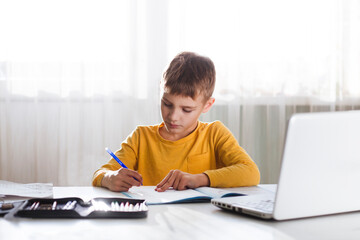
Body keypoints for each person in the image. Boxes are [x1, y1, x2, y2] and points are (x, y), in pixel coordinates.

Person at [92, 52, 260, 192]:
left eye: (186, 110)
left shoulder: (214, 134)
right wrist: (109, 178)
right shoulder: (140, 137)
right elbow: (100, 173)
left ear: (207, 105)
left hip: (201, 220)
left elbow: (251, 172)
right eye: (167, 104)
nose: (173, 116)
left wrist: (200, 179)